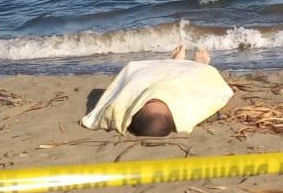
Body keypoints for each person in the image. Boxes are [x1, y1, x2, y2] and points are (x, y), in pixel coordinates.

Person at [81, 44, 234, 136]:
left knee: (140, 74)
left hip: (150, 82)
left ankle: (175, 63)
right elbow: (214, 92)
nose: (155, 98)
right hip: (180, 87)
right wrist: (203, 66)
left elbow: (113, 108)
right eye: (160, 103)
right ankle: (190, 64)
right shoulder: (186, 112)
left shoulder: (124, 109)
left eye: (149, 102)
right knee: (195, 76)